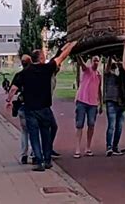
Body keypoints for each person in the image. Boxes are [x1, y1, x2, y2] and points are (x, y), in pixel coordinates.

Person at [7, 42, 76, 171]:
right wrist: (71, 47)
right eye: (44, 56)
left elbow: (13, 89)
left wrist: (9, 100)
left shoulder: (24, 72)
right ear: (41, 59)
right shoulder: (47, 69)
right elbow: (61, 57)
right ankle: (47, 160)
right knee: (46, 134)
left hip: (30, 109)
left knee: (33, 136)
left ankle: (39, 161)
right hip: (44, 108)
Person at [74, 55, 102, 158]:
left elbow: (99, 89)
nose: (96, 62)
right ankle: (77, 148)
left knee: (91, 124)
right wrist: (78, 55)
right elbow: (82, 64)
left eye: (97, 61)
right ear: (91, 61)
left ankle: (88, 147)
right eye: (94, 60)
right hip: (82, 101)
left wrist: (101, 103)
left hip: (93, 103)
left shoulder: (99, 75)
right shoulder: (87, 71)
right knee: (79, 124)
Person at [104, 56, 125, 156]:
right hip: (112, 101)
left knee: (119, 126)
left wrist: (121, 63)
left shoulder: (123, 76)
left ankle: (115, 146)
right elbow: (107, 68)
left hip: (122, 102)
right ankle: (109, 147)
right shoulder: (109, 75)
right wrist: (110, 58)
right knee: (111, 125)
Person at [10, 54, 32, 164]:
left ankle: (24, 155)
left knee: (24, 132)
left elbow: (13, 88)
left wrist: (8, 100)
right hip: (33, 107)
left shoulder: (20, 75)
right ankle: (34, 154)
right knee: (34, 131)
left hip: (22, 106)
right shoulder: (34, 74)